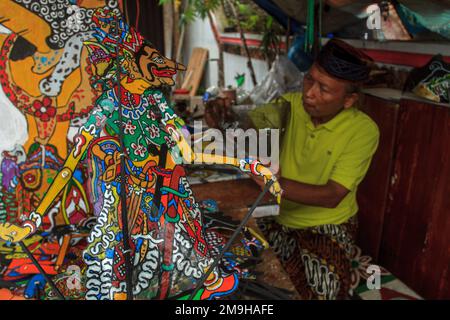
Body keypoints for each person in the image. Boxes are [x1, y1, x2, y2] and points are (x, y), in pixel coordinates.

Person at [206, 38, 380, 300]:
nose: (309, 92)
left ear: (348, 100)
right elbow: (246, 129)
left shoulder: (363, 130)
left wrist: (271, 182)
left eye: (324, 88)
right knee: (235, 275)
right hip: (276, 216)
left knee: (324, 291)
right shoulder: (289, 105)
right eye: (309, 80)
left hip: (326, 225)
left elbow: (332, 195)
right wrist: (223, 119)